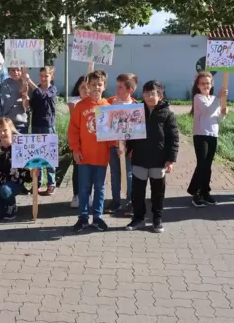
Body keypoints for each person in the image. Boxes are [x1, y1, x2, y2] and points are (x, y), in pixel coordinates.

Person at [126, 81, 179, 233]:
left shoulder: (167, 114)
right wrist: (125, 148)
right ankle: (138, 218)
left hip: (158, 159)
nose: (149, 96)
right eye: (146, 93)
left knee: (158, 192)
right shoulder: (135, 111)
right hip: (140, 158)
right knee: (137, 192)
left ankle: (157, 220)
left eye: (152, 93)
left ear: (160, 95)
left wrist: (170, 159)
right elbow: (129, 134)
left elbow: (173, 138)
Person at [68, 70, 111, 232]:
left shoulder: (107, 107)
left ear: (104, 86)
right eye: (93, 85)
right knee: (84, 188)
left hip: (101, 157)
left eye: (99, 85)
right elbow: (73, 130)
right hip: (84, 156)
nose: (96, 88)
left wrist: (118, 146)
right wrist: (75, 149)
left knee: (99, 188)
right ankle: (83, 217)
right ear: (88, 86)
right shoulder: (81, 107)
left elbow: (113, 133)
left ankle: (98, 217)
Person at [187, 71, 227, 207]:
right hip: (200, 134)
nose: (206, 86)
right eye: (203, 83)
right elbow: (207, 112)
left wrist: (223, 114)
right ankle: (196, 193)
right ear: (198, 85)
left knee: (208, 166)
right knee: (202, 164)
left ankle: (205, 191)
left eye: (208, 83)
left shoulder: (212, 98)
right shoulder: (198, 97)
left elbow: (216, 118)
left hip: (213, 134)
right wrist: (219, 98)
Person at [0, 118, 31, 220]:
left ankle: (11, 206)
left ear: (11, 129)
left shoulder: (20, 144)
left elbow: (28, 169)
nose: (2, 133)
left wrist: (32, 173)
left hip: (15, 183)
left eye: (5, 130)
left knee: (5, 190)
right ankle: (2, 204)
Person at [105, 73, 138, 215]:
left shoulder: (135, 106)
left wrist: (126, 145)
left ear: (130, 90)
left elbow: (138, 129)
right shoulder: (111, 102)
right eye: (117, 85)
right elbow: (105, 123)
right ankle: (116, 201)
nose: (117, 89)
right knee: (114, 174)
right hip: (113, 146)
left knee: (129, 174)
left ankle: (130, 201)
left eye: (120, 87)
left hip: (128, 148)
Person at [27, 66, 58, 195]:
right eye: (41, 75)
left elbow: (43, 95)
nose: (43, 78)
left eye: (46, 75)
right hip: (36, 124)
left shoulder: (53, 89)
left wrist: (30, 83)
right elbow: (32, 104)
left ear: (51, 77)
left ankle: (51, 183)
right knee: (37, 154)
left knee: (49, 154)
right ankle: (38, 182)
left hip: (47, 125)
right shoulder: (36, 89)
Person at [67, 76, 87, 209]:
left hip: (92, 141)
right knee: (78, 168)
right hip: (78, 140)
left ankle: (87, 194)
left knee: (89, 169)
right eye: (83, 87)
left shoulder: (97, 102)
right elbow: (76, 118)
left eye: (88, 87)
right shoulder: (74, 102)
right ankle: (76, 195)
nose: (86, 90)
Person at [2, 67, 30, 133]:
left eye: (18, 70)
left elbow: (28, 106)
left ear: (22, 71)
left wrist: (25, 96)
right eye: (13, 70)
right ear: (9, 72)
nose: (16, 72)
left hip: (23, 122)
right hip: (9, 122)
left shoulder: (26, 83)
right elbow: (7, 103)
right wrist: (19, 92)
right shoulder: (6, 83)